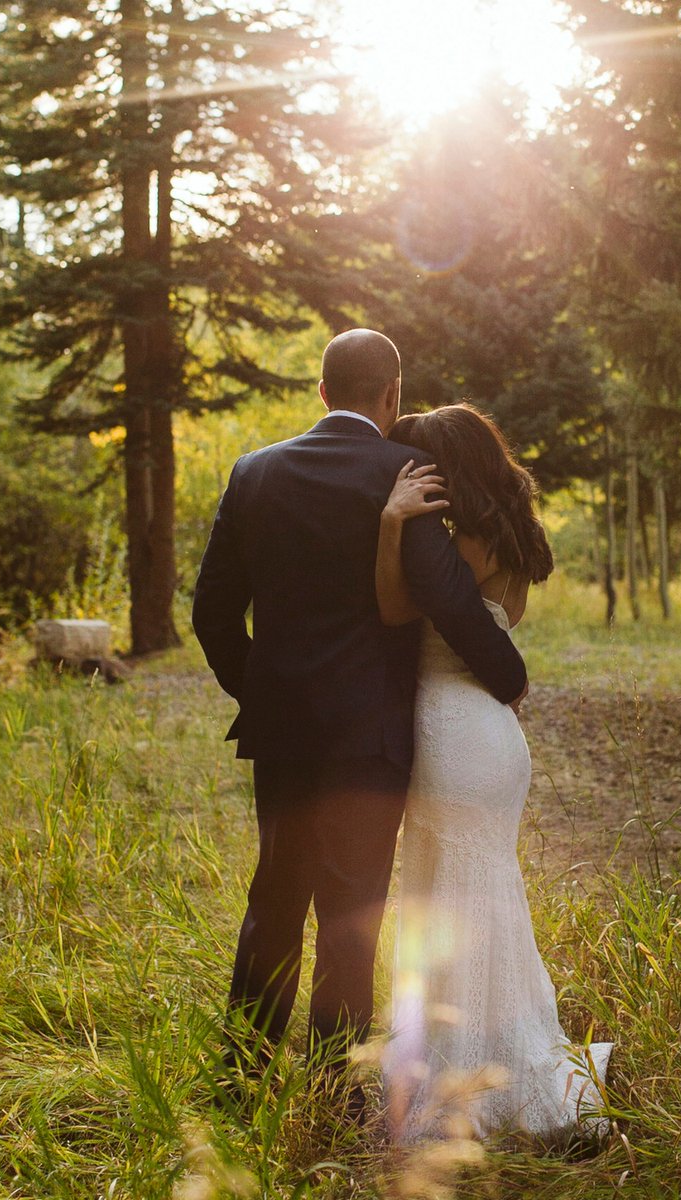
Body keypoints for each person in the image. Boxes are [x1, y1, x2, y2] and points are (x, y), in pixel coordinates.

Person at [191, 331, 527, 1112]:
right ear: (392, 396)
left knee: (272, 905)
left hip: (283, 737)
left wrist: (261, 693)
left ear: (320, 392)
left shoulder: (253, 473)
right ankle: (335, 1098)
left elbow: (211, 613)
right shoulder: (405, 475)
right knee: (351, 920)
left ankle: (242, 1082)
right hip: (370, 741)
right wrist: (509, 676)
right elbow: (448, 598)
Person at [376, 403, 613, 1145]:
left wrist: (390, 525)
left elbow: (392, 609)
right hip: (491, 735)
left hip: (454, 734)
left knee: (454, 903)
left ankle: (471, 1083)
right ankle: (485, 1062)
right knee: (478, 898)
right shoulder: (505, 532)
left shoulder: (454, 547)